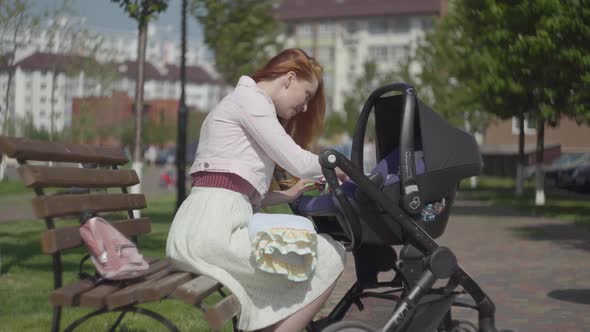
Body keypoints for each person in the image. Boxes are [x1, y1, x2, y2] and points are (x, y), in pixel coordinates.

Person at [166, 48, 347, 332]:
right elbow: (297, 160)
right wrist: (342, 167)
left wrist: (289, 194)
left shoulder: (243, 102)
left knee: (310, 252)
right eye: (307, 95)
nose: (305, 107)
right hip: (214, 234)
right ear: (288, 79)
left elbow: (232, 188)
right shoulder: (251, 101)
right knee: (330, 254)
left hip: (206, 228)